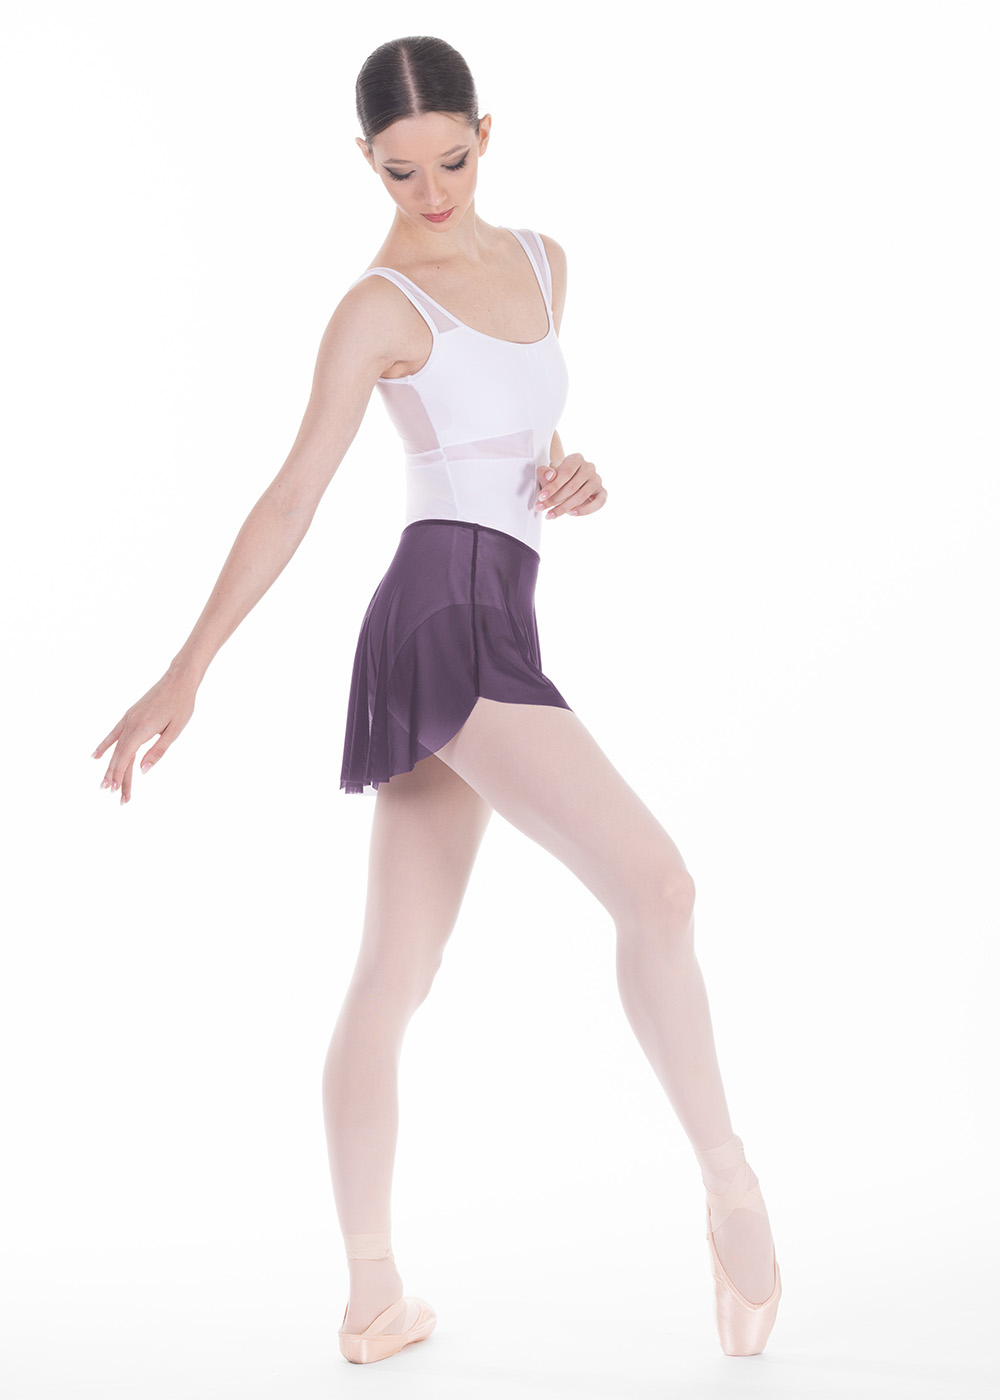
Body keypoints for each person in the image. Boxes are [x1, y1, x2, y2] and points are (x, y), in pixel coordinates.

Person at [91, 34, 781, 1367]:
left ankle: (375, 1301)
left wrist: (573, 475)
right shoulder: (376, 304)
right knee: (660, 887)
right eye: (399, 171)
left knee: (396, 971)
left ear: (485, 134)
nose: (431, 193)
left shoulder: (545, 263)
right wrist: (189, 667)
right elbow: (293, 494)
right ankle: (733, 1190)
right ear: (365, 161)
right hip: (441, 623)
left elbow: (514, 439)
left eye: (451, 161)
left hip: (500, 608)